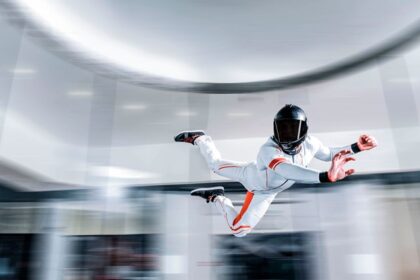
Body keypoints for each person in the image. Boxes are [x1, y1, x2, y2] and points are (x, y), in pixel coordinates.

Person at [174, 104, 377, 237]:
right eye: (282, 128)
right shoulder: (268, 149)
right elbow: (286, 170)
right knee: (215, 165)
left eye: (292, 128)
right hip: (249, 174)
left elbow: (329, 154)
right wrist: (324, 176)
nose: (286, 134)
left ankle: (217, 197)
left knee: (239, 231)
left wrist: (356, 147)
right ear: (275, 128)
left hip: (265, 194)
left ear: (303, 130)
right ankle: (201, 138)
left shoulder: (311, 143)